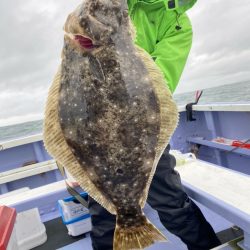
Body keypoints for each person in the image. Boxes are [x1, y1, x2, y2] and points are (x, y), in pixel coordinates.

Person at [88, 0, 221, 249]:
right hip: (102, 130)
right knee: (104, 214)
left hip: (144, 128)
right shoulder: (104, 7)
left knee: (173, 205)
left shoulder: (176, 24)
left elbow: (161, 79)